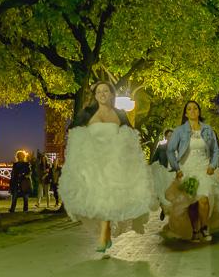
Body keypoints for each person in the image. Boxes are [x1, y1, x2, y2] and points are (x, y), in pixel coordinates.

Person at [58, 81, 157, 252]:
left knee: (108, 197)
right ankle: (106, 231)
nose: (102, 94)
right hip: (93, 164)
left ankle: (104, 235)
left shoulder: (120, 114)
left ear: (112, 94)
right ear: (95, 96)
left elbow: (131, 136)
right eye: (98, 92)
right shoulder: (87, 113)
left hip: (114, 163)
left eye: (106, 91)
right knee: (99, 199)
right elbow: (73, 131)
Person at [165, 101, 219, 242]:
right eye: (189, 109)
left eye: (195, 108)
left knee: (204, 198)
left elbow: (215, 150)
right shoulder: (180, 131)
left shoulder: (207, 130)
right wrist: (177, 168)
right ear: (186, 113)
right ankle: (195, 231)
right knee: (192, 202)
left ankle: (205, 228)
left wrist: (212, 165)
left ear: (199, 112)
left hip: (204, 169)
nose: (192, 111)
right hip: (187, 170)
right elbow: (170, 150)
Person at [149, 128, 174, 220]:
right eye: (169, 136)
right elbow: (154, 160)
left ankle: (171, 212)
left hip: (173, 173)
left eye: (172, 135)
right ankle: (163, 209)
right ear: (166, 137)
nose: (171, 137)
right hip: (163, 172)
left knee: (172, 194)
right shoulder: (161, 147)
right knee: (162, 193)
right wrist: (153, 167)